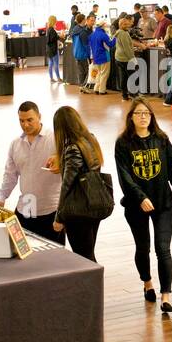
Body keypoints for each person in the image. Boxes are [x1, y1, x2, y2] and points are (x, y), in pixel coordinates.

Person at [116, 99, 172, 312]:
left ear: (152, 116)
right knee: (143, 247)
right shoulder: (124, 143)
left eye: (147, 113)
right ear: (131, 117)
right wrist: (140, 198)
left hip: (163, 202)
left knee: (163, 249)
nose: (143, 117)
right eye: (138, 113)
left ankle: (166, 296)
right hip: (136, 205)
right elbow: (124, 176)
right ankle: (147, 283)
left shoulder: (162, 139)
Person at [0, 102, 65, 246]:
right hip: (26, 207)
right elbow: (10, 175)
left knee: (53, 260)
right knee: (22, 254)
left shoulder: (56, 139)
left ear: (39, 117)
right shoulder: (16, 144)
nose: (25, 125)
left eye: (29, 120)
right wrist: (1, 198)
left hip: (51, 210)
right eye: (21, 121)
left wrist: (61, 160)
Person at [52, 105, 108, 261]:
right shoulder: (91, 139)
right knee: (89, 252)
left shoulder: (71, 148)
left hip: (78, 210)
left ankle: (93, 285)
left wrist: (59, 217)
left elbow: (67, 185)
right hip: (94, 203)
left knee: (84, 256)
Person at [113, 15, 136, 101]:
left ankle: (124, 95)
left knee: (124, 77)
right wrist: (133, 59)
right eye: (126, 24)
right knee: (131, 77)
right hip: (125, 59)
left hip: (119, 58)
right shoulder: (124, 34)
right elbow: (127, 49)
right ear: (122, 25)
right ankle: (134, 95)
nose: (128, 25)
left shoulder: (119, 32)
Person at [70, 13, 91, 86]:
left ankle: (81, 85)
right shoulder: (83, 32)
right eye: (85, 19)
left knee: (81, 71)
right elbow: (86, 45)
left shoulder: (75, 29)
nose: (86, 20)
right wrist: (89, 55)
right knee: (88, 70)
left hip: (76, 53)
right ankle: (85, 85)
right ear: (82, 20)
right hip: (83, 54)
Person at [43, 15, 63, 83]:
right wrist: (59, 36)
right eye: (55, 20)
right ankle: (59, 78)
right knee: (56, 64)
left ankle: (51, 78)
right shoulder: (52, 30)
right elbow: (53, 38)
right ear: (53, 21)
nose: (56, 21)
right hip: (53, 49)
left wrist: (57, 36)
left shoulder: (48, 29)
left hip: (49, 49)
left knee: (50, 63)